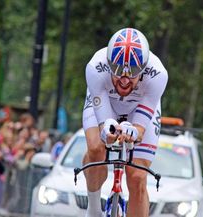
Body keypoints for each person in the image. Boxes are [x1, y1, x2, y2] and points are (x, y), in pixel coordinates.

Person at [82, 27, 168, 217]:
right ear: (109, 65)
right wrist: (107, 131)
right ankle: (94, 209)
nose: (124, 81)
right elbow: (104, 127)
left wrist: (134, 133)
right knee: (96, 148)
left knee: (137, 176)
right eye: (118, 73)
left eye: (132, 75)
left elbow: (139, 128)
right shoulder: (96, 67)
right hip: (106, 102)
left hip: (139, 108)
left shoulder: (157, 74)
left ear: (144, 69)